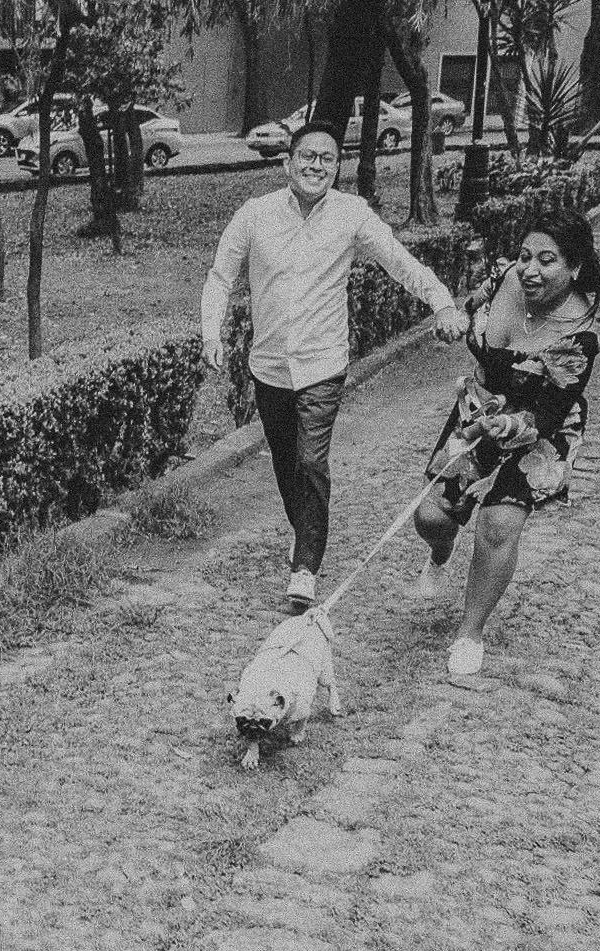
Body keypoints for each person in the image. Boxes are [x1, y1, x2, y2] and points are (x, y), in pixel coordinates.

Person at [201, 122, 470, 611]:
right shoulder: (255, 215)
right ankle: (304, 529)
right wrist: (211, 332)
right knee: (286, 465)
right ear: (287, 163)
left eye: (327, 158)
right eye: (307, 156)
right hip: (269, 366)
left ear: (337, 167)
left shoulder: (351, 215)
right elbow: (221, 276)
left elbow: (401, 261)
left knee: (310, 460)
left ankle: (305, 565)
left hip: (323, 364)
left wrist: (443, 303)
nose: (316, 166)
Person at [411, 208, 600, 676]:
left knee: (499, 523)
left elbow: (547, 413)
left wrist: (514, 425)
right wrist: (452, 321)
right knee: (430, 516)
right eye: (525, 256)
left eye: (547, 260)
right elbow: (468, 313)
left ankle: (470, 631)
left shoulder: (578, 338)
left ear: (575, 268)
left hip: (542, 425)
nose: (530, 269)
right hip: (479, 409)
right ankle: (442, 550)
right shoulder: (504, 277)